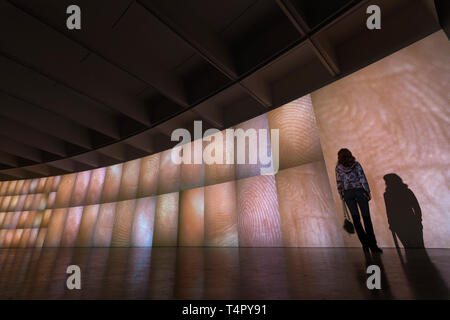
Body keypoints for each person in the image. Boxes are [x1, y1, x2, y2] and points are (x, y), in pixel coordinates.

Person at [335, 148, 383, 253]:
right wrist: (367, 191)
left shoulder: (338, 168)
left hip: (348, 194)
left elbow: (339, 182)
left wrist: (341, 194)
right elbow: (362, 178)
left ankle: (365, 245)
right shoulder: (356, 165)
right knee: (366, 219)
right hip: (359, 191)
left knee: (356, 220)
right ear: (350, 155)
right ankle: (373, 246)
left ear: (339, 157)